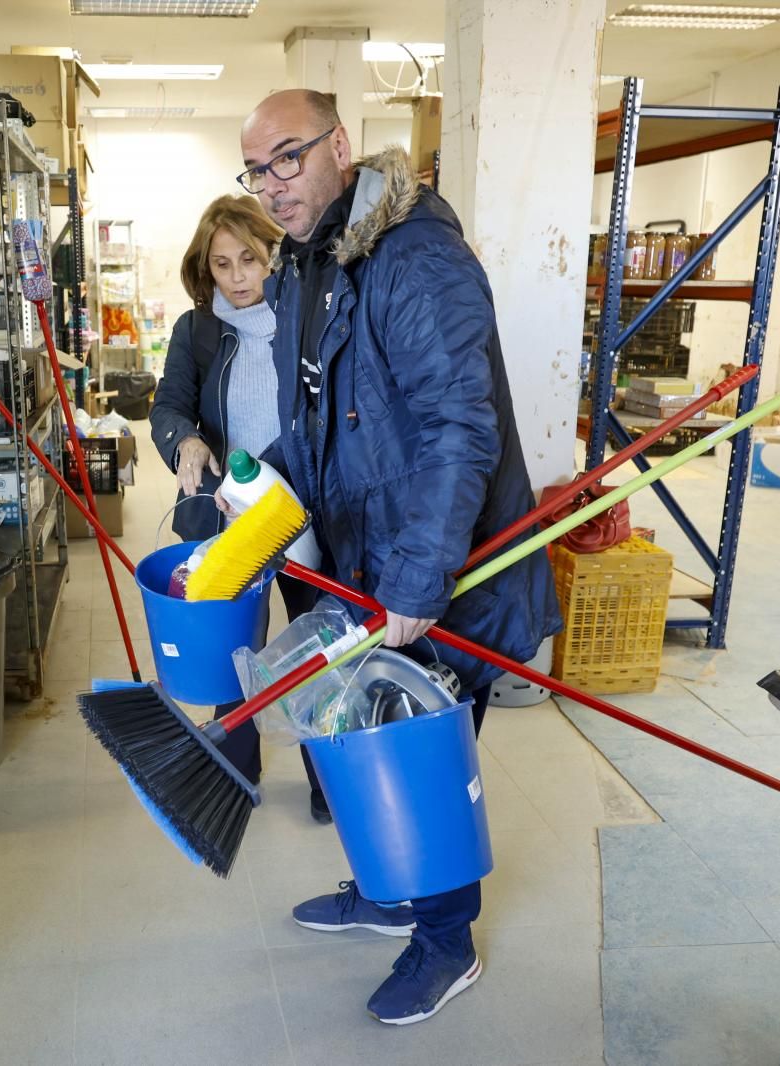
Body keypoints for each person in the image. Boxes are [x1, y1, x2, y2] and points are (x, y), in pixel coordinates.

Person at [233, 89, 562, 1025]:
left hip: (449, 566)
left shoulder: (414, 255)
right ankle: (388, 891)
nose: (272, 185)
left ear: (340, 145)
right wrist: (258, 490)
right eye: (256, 169)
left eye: (287, 159)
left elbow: (462, 428)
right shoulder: (314, 261)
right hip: (371, 557)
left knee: (422, 757)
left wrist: (420, 579)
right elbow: (327, 420)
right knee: (364, 733)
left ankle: (445, 942)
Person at [148, 195, 319, 798]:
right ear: (206, 268)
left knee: (318, 642)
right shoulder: (196, 331)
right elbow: (168, 405)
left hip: (303, 512)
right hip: (224, 513)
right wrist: (186, 441)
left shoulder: (309, 322)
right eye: (222, 264)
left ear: (275, 254)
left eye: (249, 259)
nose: (238, 276)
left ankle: (331, 782)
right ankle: (233, 768)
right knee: (231, 645)